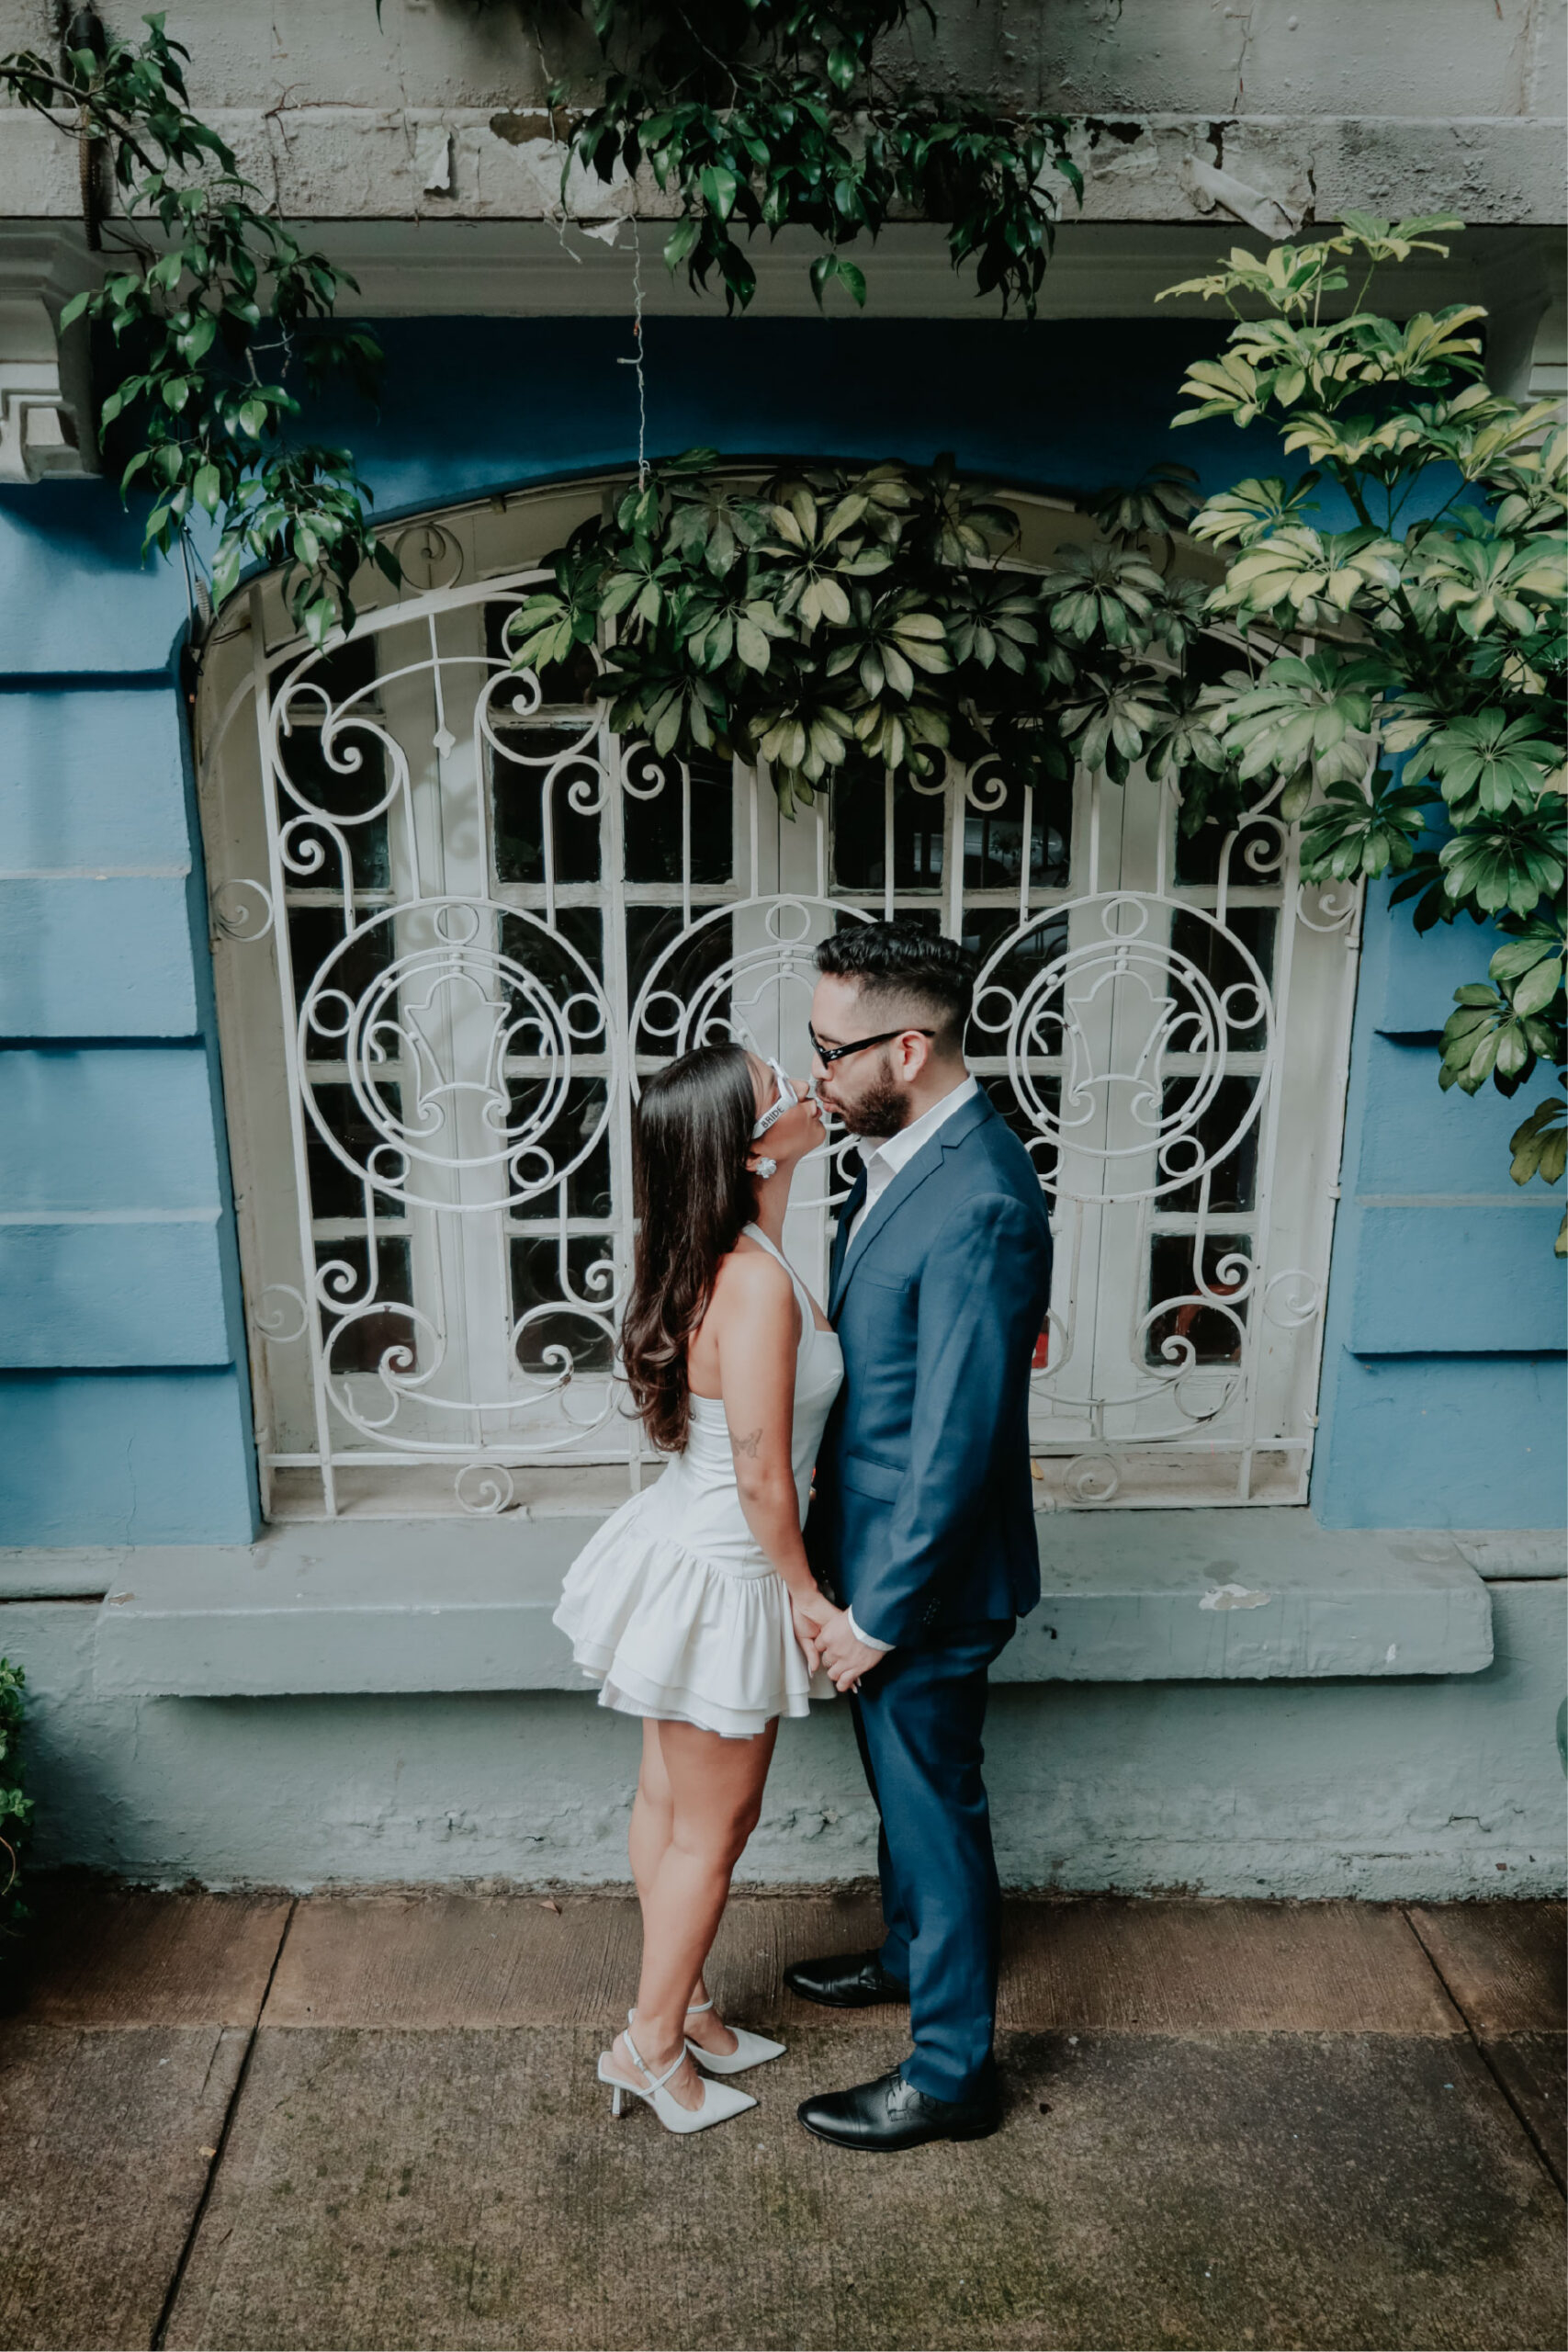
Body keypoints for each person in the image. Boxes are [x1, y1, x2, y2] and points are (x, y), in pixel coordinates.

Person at [786, 921, 1055, 2152]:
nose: (815, 1076)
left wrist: (880, 1613)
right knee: (901, 1796)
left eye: (828, 1051)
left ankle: (951, 2075)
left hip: (925, 1584)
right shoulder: (897, 1158)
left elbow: (957, 1437)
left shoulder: (982, 1195)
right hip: (874, 1555)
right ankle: (904, 1956)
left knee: (936, 1813)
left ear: (908, 1048)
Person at [553, 1040, 850, 2135]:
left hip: (686, 1549)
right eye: (782, 1085)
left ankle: (689, 2004)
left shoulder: (725, 1253)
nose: (807, 1088)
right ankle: (649, 2043)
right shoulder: (754, 1281)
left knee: (670, 1805)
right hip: (726, 1570)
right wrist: (807, 1596)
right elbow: (764, 1474)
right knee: (713, 1830)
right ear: (749, 1146)